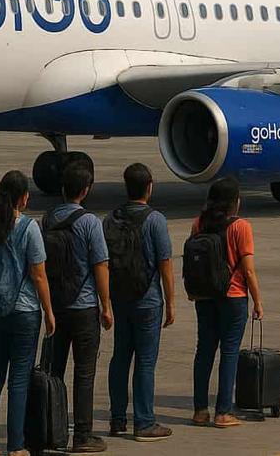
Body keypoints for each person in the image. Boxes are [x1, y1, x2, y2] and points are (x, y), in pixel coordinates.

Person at [0, 170, 56, 456]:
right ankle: (15, 446)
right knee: (19, 380)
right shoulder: (29, 228)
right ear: (23, 198)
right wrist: (49, 311)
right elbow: (39, 274)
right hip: (24, 311)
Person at [45, 158, 112, 452]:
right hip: (83, 307)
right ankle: (82, 436)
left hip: (56, 306)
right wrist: (106, 305)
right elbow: (100, 266)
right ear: (86, 190)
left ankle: (53, 431)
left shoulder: (47, 219)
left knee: (54, 372)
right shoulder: (89, 222)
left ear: (63, 189)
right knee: (84, 373)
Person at [107, 164, 175, 442]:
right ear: (149, 188)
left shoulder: (111, 219)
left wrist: (105, 300)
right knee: (145, 361)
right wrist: (170, 302)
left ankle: (117, 419)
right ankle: (144, 422)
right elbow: (165, 263)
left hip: (119, 297)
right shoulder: (155, 220)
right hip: (148, 299)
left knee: (120, 357)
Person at [190, 176, 263, 428]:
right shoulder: (241, 227)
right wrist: (257, 301)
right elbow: (248, 269)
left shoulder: (199, 223)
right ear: (234, 203)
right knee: (229, 352)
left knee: (204, 351)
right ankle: (223, 411)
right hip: (233, 296)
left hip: (205, 295)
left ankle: (200, 410)